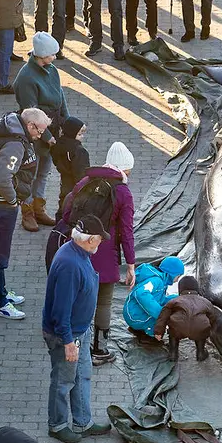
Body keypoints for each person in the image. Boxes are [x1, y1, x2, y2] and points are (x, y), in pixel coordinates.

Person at [61, 142, 136, 365]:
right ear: (125, 168)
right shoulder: (122, 192)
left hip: (76, 249)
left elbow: (66, 213)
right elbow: (126, 231)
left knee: (75, 297)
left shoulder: (86, 181)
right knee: (103, 302)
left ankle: (71, 343)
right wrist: (131, 264)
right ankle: (99, 350)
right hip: (104, 255)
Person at [42, 215, 113, 443]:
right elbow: (61, 311)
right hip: (68, 335)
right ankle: (58, 424)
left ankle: (83, 422)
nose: (101, 244)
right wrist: (68, 342)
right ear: (90, 239)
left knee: (82, 375)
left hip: (80, 330)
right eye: (99, 240)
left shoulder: (78, 252)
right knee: (63, 380)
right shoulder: (70, 265)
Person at [0, 107, 50, 320]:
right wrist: (13, 201)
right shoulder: (14, 144)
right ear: (30, 125)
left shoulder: (13, 133)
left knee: (0, 250)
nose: (40, 136)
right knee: (0, 253)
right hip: (2, 206)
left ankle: (1, 289)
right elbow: (2, 178)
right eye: (39, 131)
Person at [13, 32, 69, 231]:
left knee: (44, 171)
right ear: (41, 55)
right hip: (35, 132)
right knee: (30, 173)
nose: (54, 57)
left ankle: (39, 208)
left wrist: (67, 123)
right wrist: (47, 137)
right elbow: (31, 113)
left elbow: (61, 97)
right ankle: (27, 212)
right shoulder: (26, 78)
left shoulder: (52, 70)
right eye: (51, 54)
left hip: (52, 126)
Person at [153, 275, 215, 362]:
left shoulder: (174, 301)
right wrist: (208, 329)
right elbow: (212, 317)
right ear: (197, 289)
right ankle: (200, 353)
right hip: (199, 328)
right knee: (201, 331)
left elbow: (162, 317)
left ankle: (173, 354)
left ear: (180, 289)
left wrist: (158, 332)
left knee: (173, 333)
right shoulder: (205, 302)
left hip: (178, 328)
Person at [123, 256, 185, 338]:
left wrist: (179, 298)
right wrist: (160, 315)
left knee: (171, 305)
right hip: (136, 317)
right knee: (159, 327)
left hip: (139, 313)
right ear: (171, 274)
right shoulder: (156, 281)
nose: (177, 280)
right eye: (178, 276)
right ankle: (151, 334)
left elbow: (160, 299)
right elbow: (141, 293)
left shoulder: (162, 282)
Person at [50, 116, 90, 221]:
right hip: (76, 183)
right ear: (72, 134)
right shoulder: (79, 151)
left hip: (65, 179)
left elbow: (55, 160)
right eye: (80, 134)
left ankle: (60, 221)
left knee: (63, 199)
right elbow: (81, 172)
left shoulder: (58, 145)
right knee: (75, 203)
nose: (82, 137)